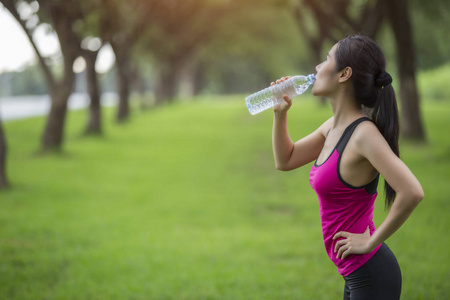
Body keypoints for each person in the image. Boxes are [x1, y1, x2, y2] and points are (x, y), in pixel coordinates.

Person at [271, 34, 424, 300]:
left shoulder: (363, 135)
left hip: (372, 275)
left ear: (344, 74)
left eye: (327, 59)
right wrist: (280, 114)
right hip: (354, 273)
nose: (317, 67)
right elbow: (286, 159)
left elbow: (412, 191)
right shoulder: (332, 127)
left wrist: (371, 241)